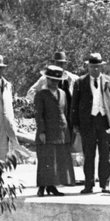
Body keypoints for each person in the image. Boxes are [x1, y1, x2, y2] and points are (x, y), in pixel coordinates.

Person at [67, 52, 110, 193]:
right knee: (88, 155)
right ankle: (88, 185)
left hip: (104, 123)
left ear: (101, 67)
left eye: (97, 67)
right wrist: (75, 124)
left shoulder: (108, 81)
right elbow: (74, 105)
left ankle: (105, 184)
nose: (95, 69)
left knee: (105, 155)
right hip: (88, 123)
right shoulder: (80, 82)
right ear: (87, 67)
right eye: (92, 67)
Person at [31, 63, 74, 195]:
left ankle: (52, 186)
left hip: (61, 131)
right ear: (47, 79)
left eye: (57, 80)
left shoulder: (63, 94)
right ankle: (42, 186)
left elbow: (65, 112)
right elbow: (39, 115)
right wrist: (42, 131)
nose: (54, 83)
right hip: (47, 131)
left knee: (57, 160)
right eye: (51, 80)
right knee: (45, 159)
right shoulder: (41, 94)